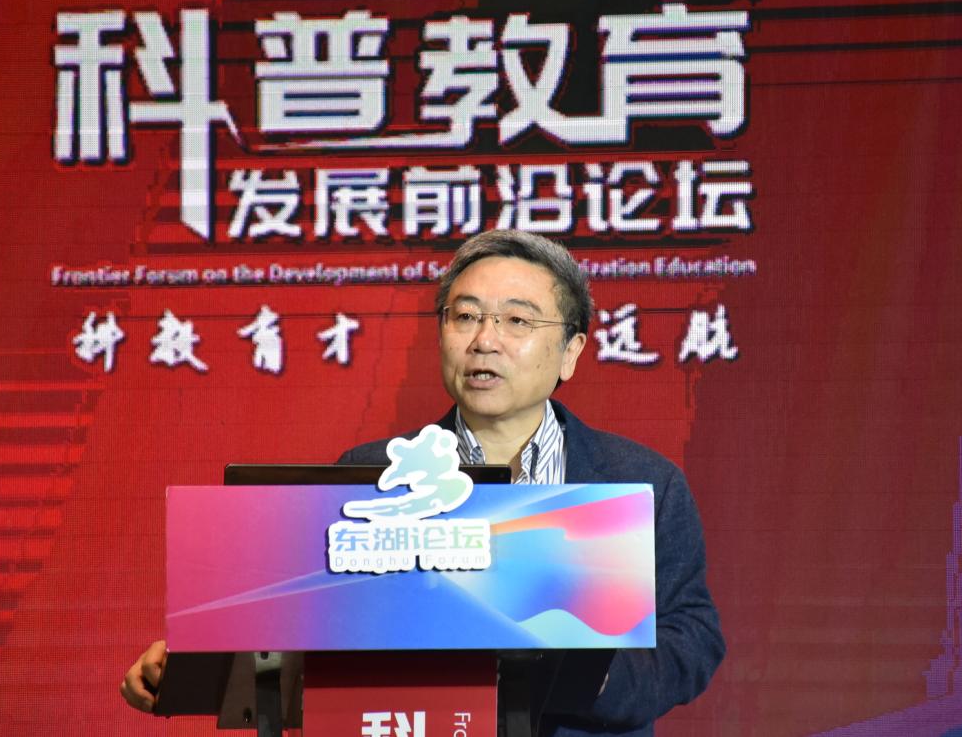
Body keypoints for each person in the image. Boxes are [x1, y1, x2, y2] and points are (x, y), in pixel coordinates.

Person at [122, 230, 725, 736]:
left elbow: (691, 637)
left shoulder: (639, 483)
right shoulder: (372, 476)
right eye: (465, 316)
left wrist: (582, 673)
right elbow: (299, 625)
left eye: (516, 320)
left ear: (571, 350)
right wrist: (196, 664)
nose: (484, 340)